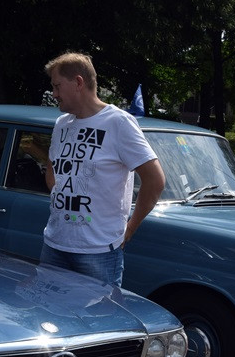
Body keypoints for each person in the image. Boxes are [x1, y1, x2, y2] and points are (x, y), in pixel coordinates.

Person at [40, 51, 165, 287]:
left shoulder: (118, 122)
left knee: (99, 311)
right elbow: (52, 171)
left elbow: (155, 180)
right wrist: (65, 199)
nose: (54, 94)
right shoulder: (61, 124)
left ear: (78, 82)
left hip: (98, 251)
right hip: (54, 244)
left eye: (57, 86)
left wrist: (130, 228)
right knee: (48, 308)